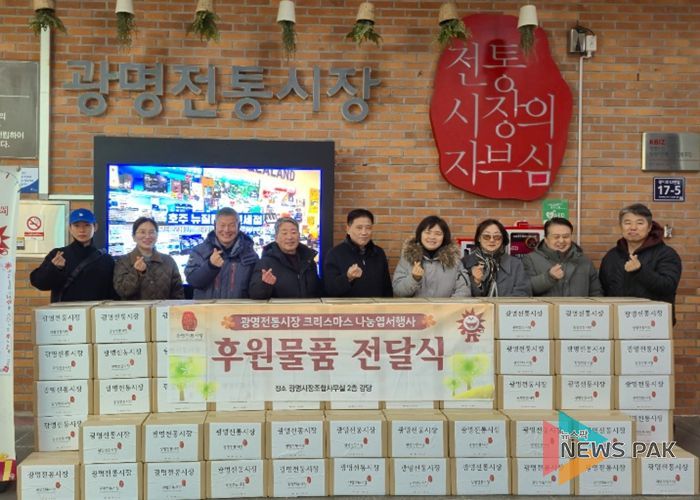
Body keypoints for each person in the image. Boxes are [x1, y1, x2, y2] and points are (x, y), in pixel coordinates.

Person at [599, 203, 682, 322]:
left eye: (639, 223)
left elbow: (668, 286)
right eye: (627, 223)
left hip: (653, 322)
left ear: (649, 227)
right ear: (620, 226)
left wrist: (640, 271)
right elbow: (604, 290)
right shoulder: (611, 256)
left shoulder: (666, 254)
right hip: (618, 322)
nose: (633, 227)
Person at [30, 208, 116, 302]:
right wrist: (54, 268)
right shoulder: (58, 255)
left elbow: (114, 293)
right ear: (70, 228)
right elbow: (40, 283)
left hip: (95, 310)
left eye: (87, 225)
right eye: (76, 226)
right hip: (65, 310)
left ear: (95, 227)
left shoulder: (106, 259)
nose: (82, 230)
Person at [185, 207, 259, 299]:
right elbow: (192, 281)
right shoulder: (199, 251)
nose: (226, 230)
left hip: (237, 308)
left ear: (239, 226)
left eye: (231, 225)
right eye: (222, 225)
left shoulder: (250, 255)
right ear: (215, 225)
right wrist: (210, 266)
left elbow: (254, 290)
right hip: (206, 308)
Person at [392, 215, 470, 298]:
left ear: (444, 237)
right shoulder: (408, 257)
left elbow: (464, 290)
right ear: (420, 234)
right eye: (427, 232)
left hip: (445, 306)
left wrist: (447, 305)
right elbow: (398, 291)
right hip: (416, 307)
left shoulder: (454, 260)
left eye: (438, 234)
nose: (432, 237)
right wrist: (414, 279)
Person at [522, 217, 602, 297]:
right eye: (556, 237)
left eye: (566, 236)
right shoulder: (530, 259)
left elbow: (596, 292)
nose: (561, 241)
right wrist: (549, 277)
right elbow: (525, 289)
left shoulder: (585, 261)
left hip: (578, 306)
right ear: (546, 239)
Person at [323, 208, 392, 297]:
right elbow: (329, 289)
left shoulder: (379, 253)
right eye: (359, 228)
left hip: (376, 305)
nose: (364, 232)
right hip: (348, 305)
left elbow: (387, 287)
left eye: (368, 228)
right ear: (348, 229)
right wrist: (348, 277)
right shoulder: (335, 254)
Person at [248, 217, 322, 299]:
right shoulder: (266, 262)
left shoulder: (308, 260)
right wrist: (265, 285)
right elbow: (255, 294)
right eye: (284, 233)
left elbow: (318, 290)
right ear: (276, 238)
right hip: (281, 307)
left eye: (293, 232)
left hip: (308, 307)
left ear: (299, 236)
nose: (289, 237)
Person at [113, 217, 185, 300]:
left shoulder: (168, 261)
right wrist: (136, 272)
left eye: (151, 232)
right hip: (135, 308)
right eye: (142, 232)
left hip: (163, 308)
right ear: (133, 237)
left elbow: (178, 294)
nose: (147, 236)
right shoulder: (123, 261)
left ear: (157, 236)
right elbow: (122, 291)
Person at [462, 218, 530, 297]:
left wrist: (501, 304)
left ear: (502, 239)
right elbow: (461, 296)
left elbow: (523, 293)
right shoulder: (465, 263)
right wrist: (476, 282)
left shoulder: (515, 264)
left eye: (497, 237)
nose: (491, 240)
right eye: (486, 236)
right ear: (479, 238)